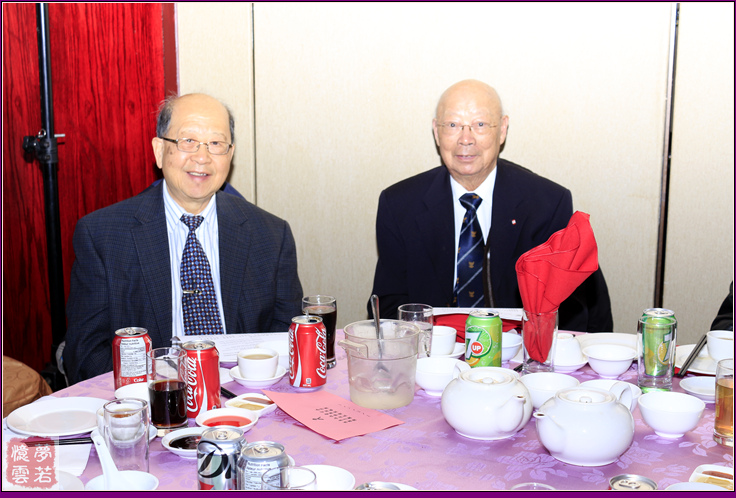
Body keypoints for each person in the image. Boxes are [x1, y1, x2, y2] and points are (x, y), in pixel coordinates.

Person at [64, 93, 303, 383]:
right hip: (154, 395)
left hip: (246, 393)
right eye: (188, 141)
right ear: (159, 150)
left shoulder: (271, 235)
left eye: (216, 144)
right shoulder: (102, 236)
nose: (202, 157)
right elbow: (86, 354)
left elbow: (287, 341)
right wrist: (161, 387)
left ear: (230, 155)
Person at [369, 79, 612, 332]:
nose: (466, 139)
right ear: (436, 132)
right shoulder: (399, 205)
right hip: (433, 349)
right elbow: (388, 307)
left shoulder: (547, 204)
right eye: (452, 125)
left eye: (480, 125)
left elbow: (569, 312)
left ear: (502, 130)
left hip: (516, 350)